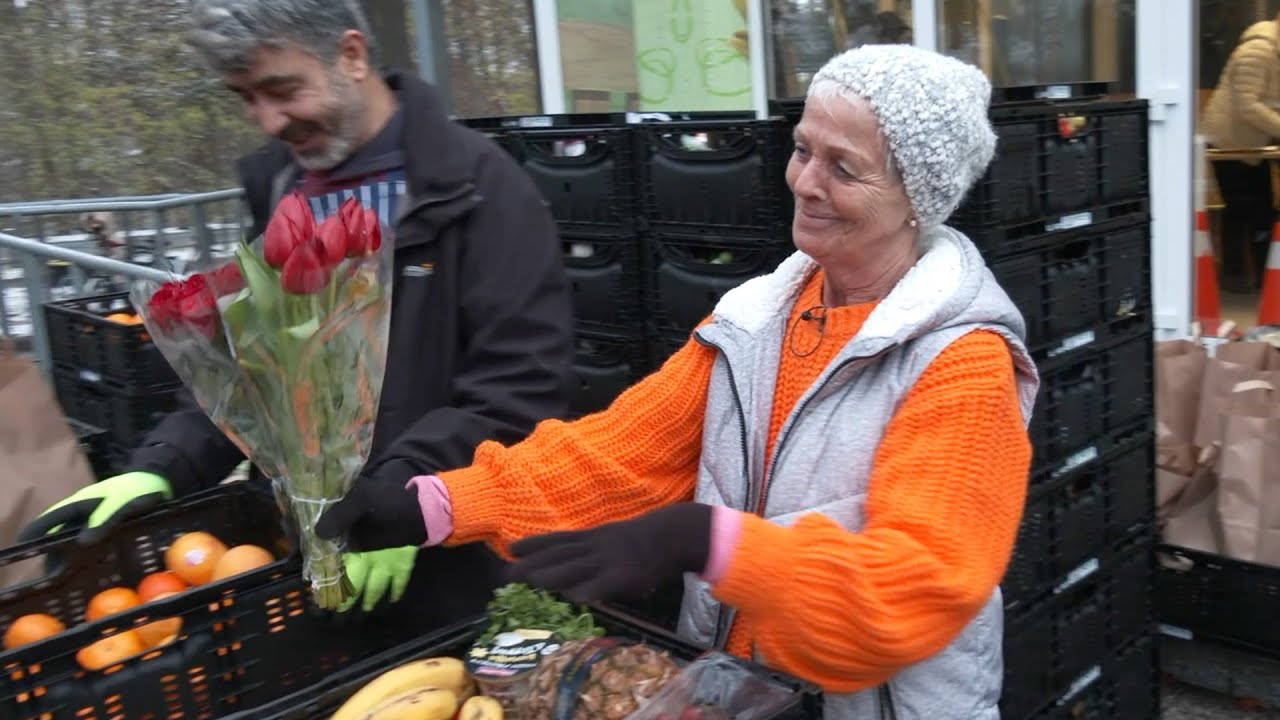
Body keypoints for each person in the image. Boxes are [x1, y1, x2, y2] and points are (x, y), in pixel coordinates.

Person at [318, 44, 1040, 718]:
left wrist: (711, 541)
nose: (806, 182)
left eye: (844, 168)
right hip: (740, 691)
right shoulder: (759, 319)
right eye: (802, 149)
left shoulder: (962, 365)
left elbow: (912, 589)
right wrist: (436, 506)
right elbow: (617, 453)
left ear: (919, 197)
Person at [21, 0, 575, 625]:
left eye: (282, 90)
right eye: (246, 98)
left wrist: (406, 493)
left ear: (352, 55)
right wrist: (163, 467)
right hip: (314, 554)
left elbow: (518, 389)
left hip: (452, 556)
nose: (268, 119)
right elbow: (252, 366)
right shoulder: (283, 189)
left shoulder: (479, 188)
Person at [1201, 12, 1280, 291]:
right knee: (1247, 209)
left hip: (1252, 142)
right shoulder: (1258, 49)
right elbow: (1248, 105)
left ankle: (1256, 277)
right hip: (1231, 141)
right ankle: (1243, 278)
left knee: (1255, 210)